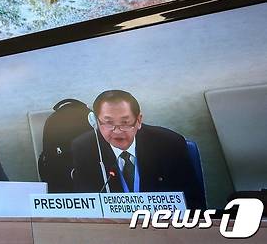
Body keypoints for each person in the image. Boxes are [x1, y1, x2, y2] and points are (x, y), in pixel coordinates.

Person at [71, 90, 206, 209]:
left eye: (125, 122)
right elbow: (86, 207)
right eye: (108, 123)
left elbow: (193, 203)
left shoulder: (169, 144)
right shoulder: (84, 149)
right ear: (96, 123)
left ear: (139, 120)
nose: (117, 131)